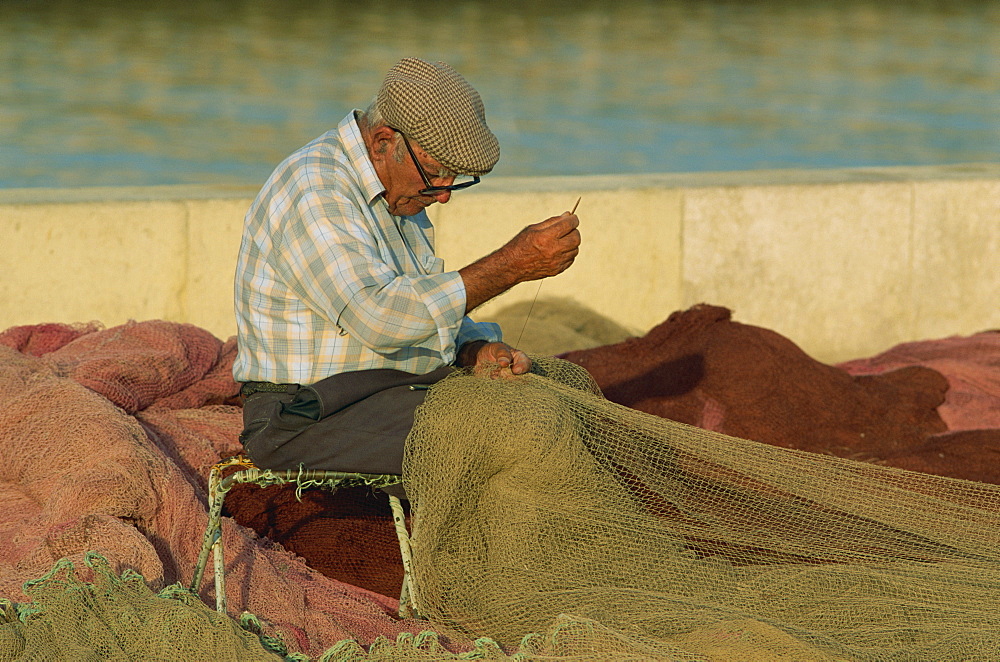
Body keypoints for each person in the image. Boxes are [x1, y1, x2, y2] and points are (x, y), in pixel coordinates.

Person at [232, 57, 580, 492]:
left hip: (386, 395)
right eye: (436, 175)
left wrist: (472, 348)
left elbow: (415, 296)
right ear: (383, 141)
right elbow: (380, 316)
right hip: (303, 416)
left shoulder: (400, 194)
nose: (444, 196)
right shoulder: (316, 188)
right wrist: (510, 266)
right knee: (518, 433)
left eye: (455, 180)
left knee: (558, 397)